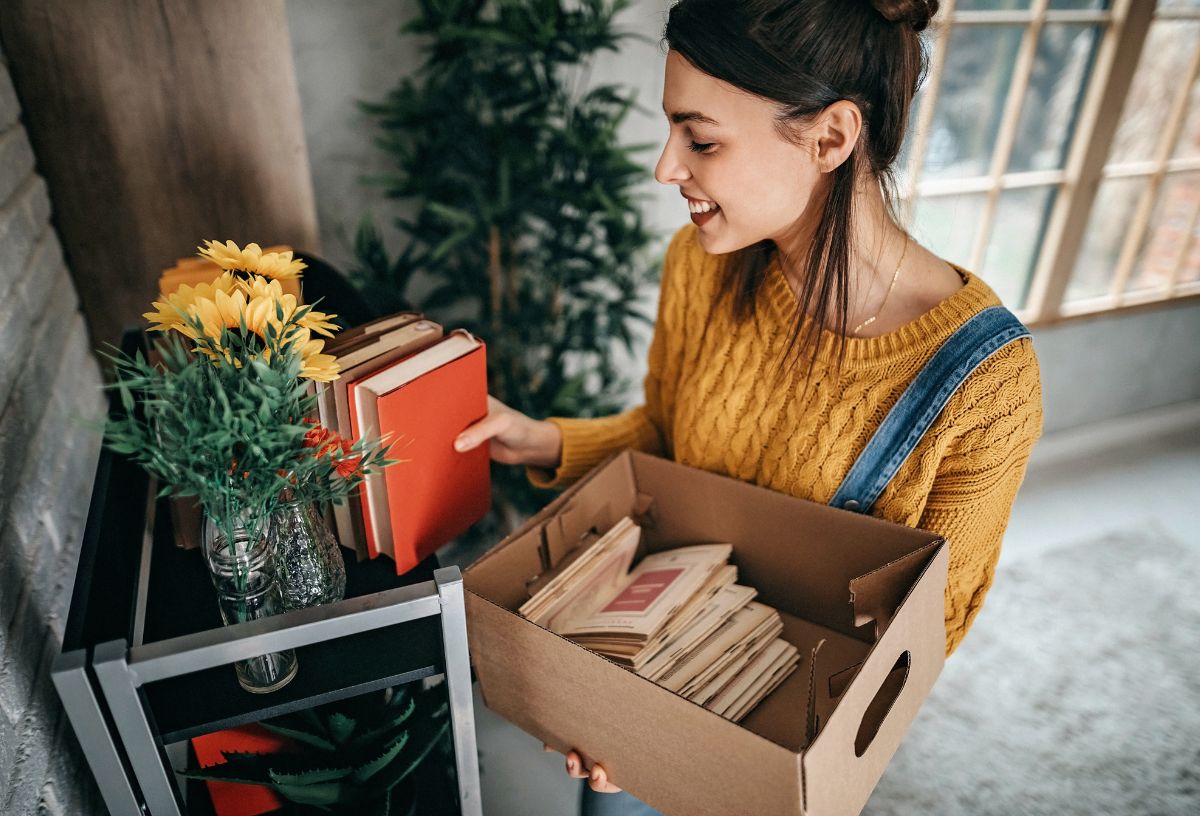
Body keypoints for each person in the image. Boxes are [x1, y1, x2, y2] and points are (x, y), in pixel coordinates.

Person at [453, 0, 1044, 813]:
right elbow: (665, 439)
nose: (666, 168)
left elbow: (921, 639)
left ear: (832, 138)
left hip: (785, 749)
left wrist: (698, 753)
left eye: (700, 139)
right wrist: (546, 439)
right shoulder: (700, 266)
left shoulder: (986, 386)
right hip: (641, 682)